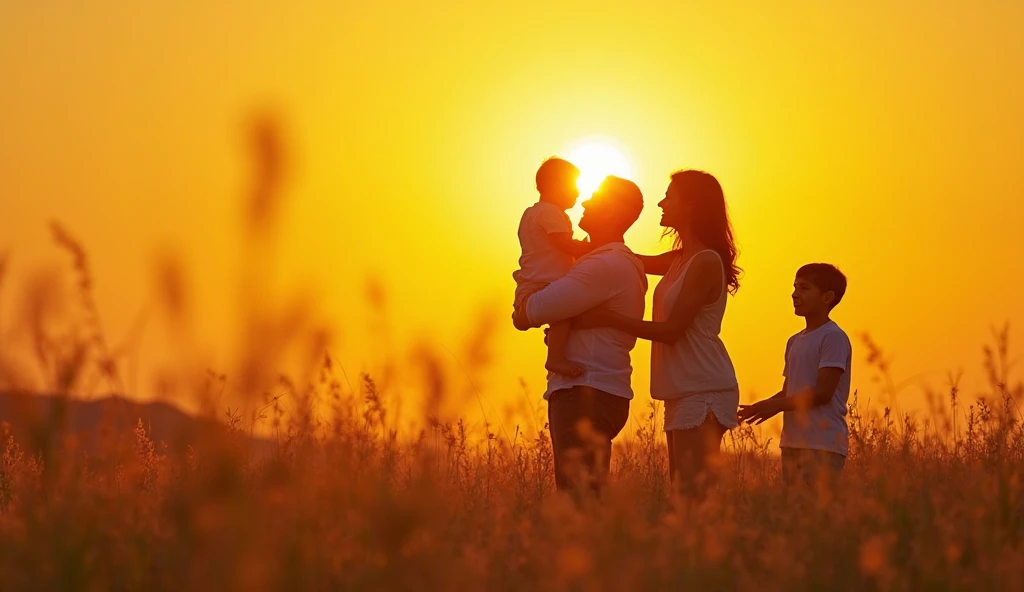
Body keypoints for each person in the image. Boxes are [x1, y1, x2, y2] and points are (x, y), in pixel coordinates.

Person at [574, 170, 741, 496]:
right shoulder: (681, 259)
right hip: (682, 388)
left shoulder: (705, 261)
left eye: (670, 196)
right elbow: (628, 259)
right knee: (683, 495)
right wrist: (577, 247)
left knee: (694, 498)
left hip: (703, 386)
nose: (661, 202)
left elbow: (671, 331)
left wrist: (607, 316)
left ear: (691, 205)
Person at [512, 175, 646, 493]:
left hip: (586, 392)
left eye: (596, 198)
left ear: (613, 211)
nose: (584, 202)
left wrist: (523, 306)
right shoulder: (606, 262)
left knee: (579, 499)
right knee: (584, 495)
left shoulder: (604, 265)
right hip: (594, 389)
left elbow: (534, 311)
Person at [738, 263, 852, 491]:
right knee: (794, 514)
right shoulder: (794, 341)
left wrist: (776, 406)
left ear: (827, 297)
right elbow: (789, 390)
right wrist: (762, 407)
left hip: (823, 444)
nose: (795, 294)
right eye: (795, 287)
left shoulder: (833, 337)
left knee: (815, 517)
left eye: (804, 288)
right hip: (792, 442)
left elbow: (823, 392)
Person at [513, 157, 593, 378]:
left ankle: (556, 346)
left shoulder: (534, 212)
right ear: (557, 185)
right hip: (542, 284)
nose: (578, 193)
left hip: (535, 284)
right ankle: (555, 358)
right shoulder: (550, 213)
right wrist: (591, 248)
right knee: (566, 309)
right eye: (574, 186)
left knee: (563, 316)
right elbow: (564, 244)